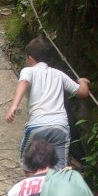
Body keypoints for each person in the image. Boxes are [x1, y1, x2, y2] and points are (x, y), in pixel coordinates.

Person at [5, 36, 91, 171]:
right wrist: (83, 82)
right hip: (60, 127)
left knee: (27, 161)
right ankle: (52, 188)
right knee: (59, 166)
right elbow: (82, 93)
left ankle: (34, 188)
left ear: (30, 58)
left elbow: (24, 82)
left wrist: (14, 105)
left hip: (38, 125)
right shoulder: (59, 74)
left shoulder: (28, 71)